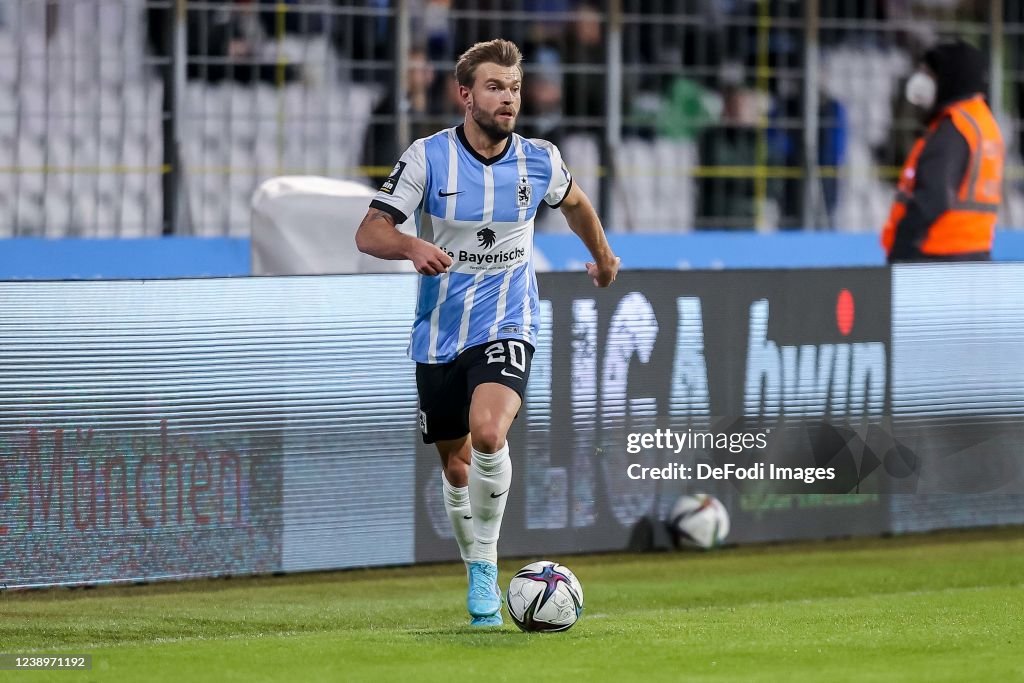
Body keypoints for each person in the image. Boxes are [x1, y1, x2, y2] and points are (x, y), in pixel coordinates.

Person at [354, 38, 620, 627]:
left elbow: (575, 203)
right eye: (496, 87)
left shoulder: (539, 158)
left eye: (516, 89)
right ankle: (472, 554)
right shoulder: (428, 159)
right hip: (438, 332)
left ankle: (485, 561)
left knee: (488, 432)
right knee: (455, 469)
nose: (509, 99)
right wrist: (410, 243)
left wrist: (603, 259)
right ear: (465, 94)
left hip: (508, 317)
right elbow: (368, 233)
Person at [882, 40, 1004, 263]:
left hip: (935, 254)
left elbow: (933, 196)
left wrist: (902, 248)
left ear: (950, 77)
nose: (922, 80)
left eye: (930, 73)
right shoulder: (981, 122)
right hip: (973, 252)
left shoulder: (954, 127)